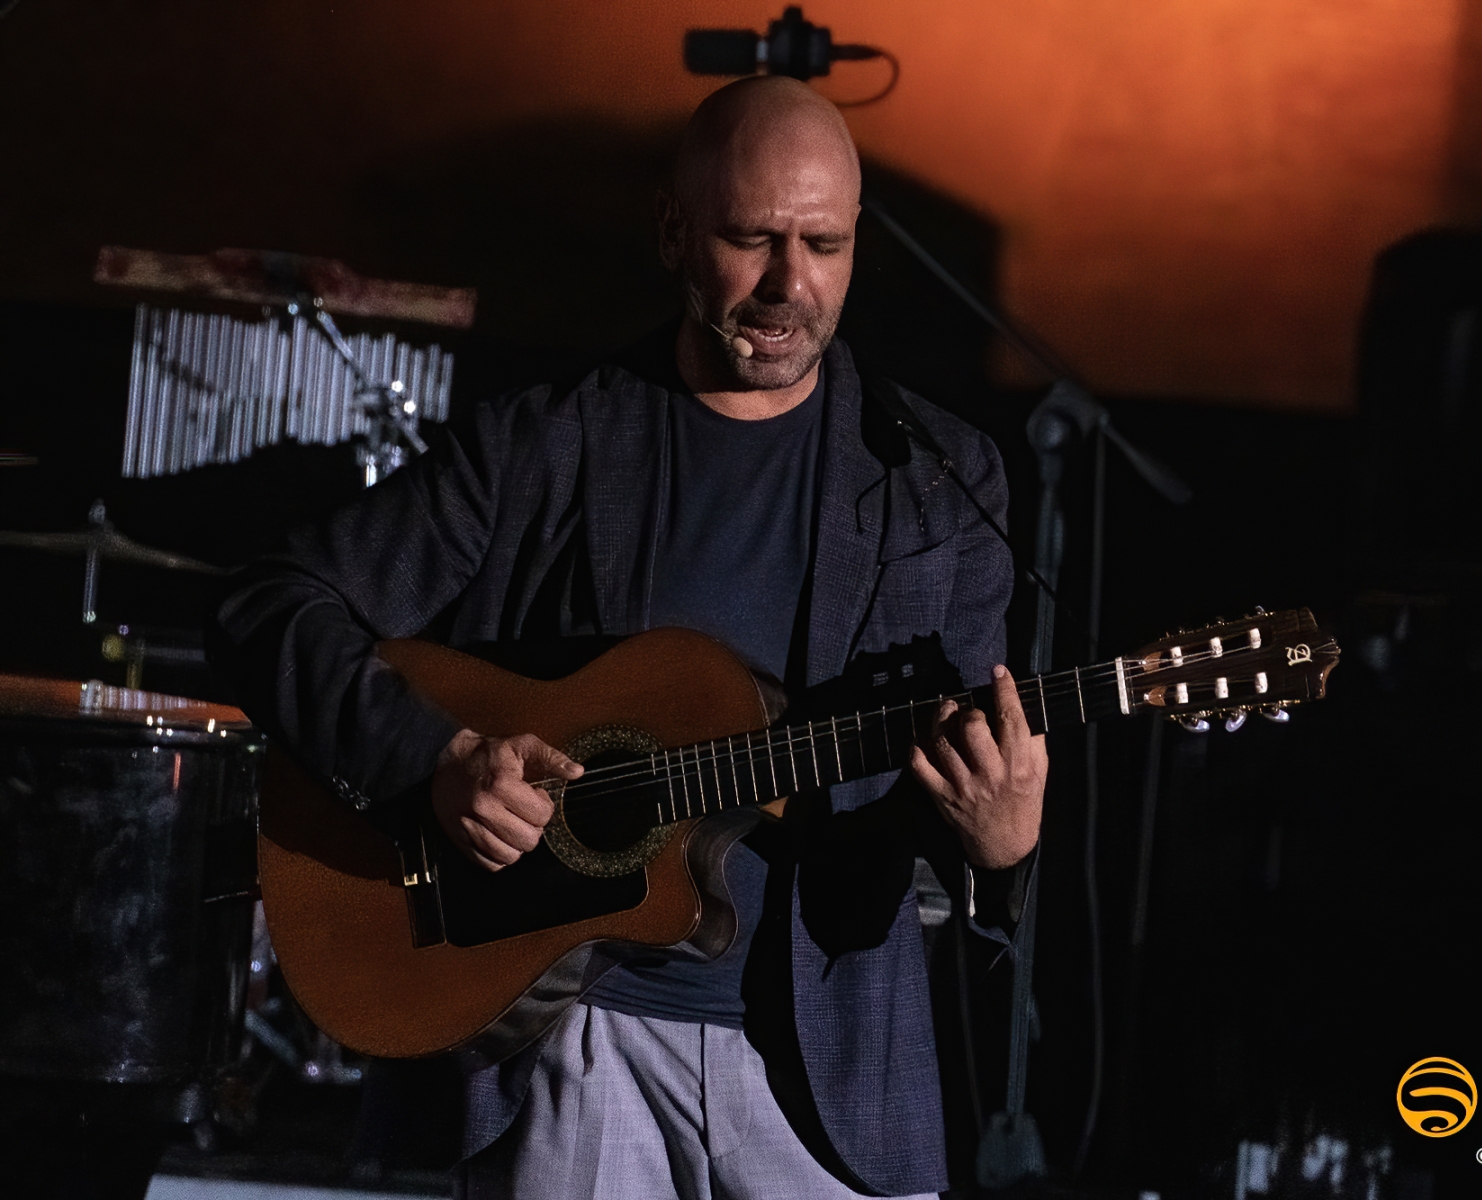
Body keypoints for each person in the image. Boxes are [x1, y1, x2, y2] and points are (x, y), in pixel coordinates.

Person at [212, 76, 1046, 1199]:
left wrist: (1003, 844)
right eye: (751, 239)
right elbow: (267, 605)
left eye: (824, 244)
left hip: (829, 1072)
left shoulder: (940, 483)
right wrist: (434, 759)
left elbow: (954, 800)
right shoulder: (545, 446)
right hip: (570, 1042)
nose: (789, 284)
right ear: (672, 231)